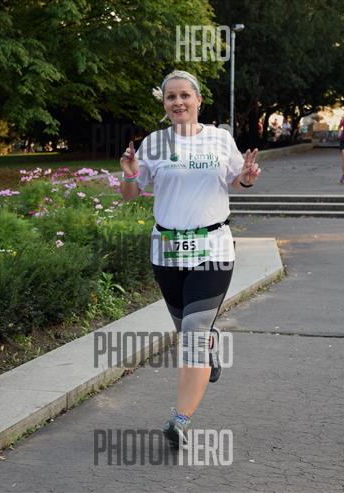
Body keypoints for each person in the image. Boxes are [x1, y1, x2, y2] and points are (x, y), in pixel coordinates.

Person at [119, 70, 262, 448]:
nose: (178, 102)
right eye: (171, 97)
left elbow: (238, 181)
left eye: (185, 95)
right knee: (188, 333)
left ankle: (180, 420)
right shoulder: (153, 144)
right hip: (167, 251)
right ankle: (209, 349)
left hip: (213, 247)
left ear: (199, 100)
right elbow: (130, 194)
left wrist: (247, 176)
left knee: (193, 335)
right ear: (164, 105)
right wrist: (129, 176)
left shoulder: (219, 138)